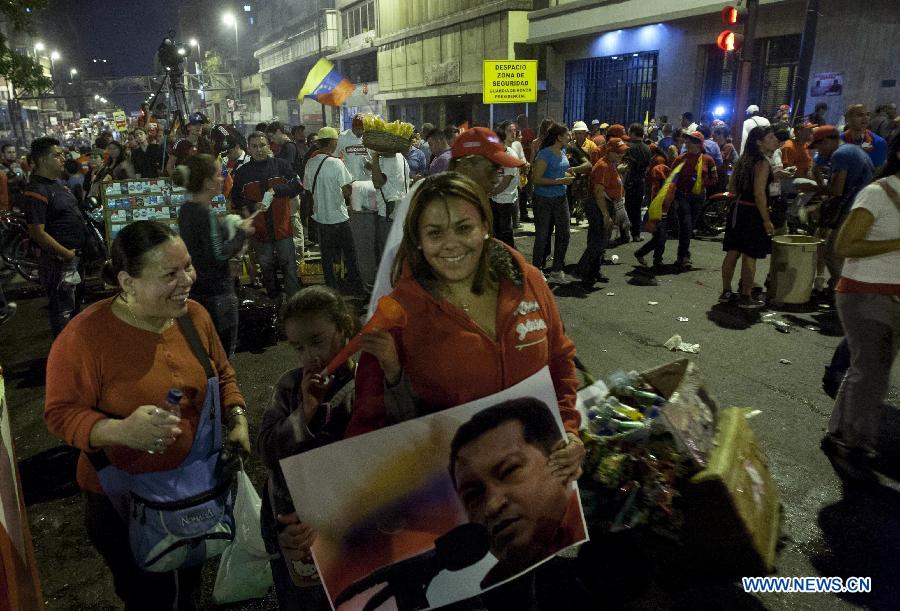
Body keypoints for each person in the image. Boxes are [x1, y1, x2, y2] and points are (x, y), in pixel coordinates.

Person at [43, 220, 250, 610]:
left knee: (188, 586)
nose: (187, 279)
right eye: (170, 274)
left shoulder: (195, 317)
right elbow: (60, 413)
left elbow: (222, 374)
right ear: (127, 282)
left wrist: (237, 416)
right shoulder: (85, 337)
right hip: (123, 503)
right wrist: (117, 430)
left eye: (187, 266)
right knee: (148, 598)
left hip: (195, 489)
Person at [347, 170, 583, 472]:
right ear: (417, 240)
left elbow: (560, 361)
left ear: (485, 226)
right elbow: (367, 420)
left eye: (464, 228)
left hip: (542, 482)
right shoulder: (396, 316)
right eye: (435, 233)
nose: (451, 244)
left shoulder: (530, 282)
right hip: (456, 496)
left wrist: (570, 432)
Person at [257, 286, 357, 611]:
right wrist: (306, 412)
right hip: (295, 527)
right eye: (298, 348)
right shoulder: (289, 387)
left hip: (347, 522)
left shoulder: (365, 383)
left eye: (317, 341)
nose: (309, 357)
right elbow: (269, 453)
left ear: (343, 329)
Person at [449, 398, 586, 589]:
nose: (492, 506)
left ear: (560, 455)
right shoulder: (492, 596)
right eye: (473, 495)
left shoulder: (614, 533)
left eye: (509, 471)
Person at [824, 134, 900, 470]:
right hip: (864, 292)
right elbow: (846, 244)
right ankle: (851, 441)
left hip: (893, 293)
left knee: (871, 369)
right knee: (870, 370)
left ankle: (843, 430)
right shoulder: (878, 193)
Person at [175, 154, 254, 358]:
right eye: (219, 175)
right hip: (218, 295)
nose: (223, 179)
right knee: (221, 357)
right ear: (208, 183)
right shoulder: (205, 214)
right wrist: (242, 232)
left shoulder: (186, 210)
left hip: (196, 291)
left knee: (202, 354)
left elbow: (202, 248)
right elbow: (218, 255)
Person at [21, 137, 87, 336]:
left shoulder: (59, 184)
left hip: (75, 258)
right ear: (41, 160)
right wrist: (66, 254)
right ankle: (64, 359)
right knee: (63, 312)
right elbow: (37, 232)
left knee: (75, 309)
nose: (62, 158)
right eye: (57, 155)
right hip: (59, 263)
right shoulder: (36, 191)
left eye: (63, 154)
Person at [231, 131, 304, 301]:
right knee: (267, 268)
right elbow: (235, 199)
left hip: (282, 228)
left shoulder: (282, 166)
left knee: (289, 268)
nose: (259, 149)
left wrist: (277, 190)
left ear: (269, 146)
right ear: (248, 149)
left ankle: (295, 303)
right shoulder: (242, 173)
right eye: (254, 146)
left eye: (262, 145)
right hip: (260, 231)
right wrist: (251, 205)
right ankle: (274, 303)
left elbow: (299, 185)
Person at [808, 125, 875, 290]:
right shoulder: (850, 149)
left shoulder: (840, 154)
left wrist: (812, 188)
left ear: (828, 141)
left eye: (818, 146)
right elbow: (816, 167)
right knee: (843, 253)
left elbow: (837, 190)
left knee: (833, 252)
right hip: (862, 205)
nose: (819, 151)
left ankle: (843, 291)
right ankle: (837, 286)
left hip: (853, 207)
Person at [719, 126, 779, 308]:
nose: (774, 140)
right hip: (753, 211)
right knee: (749, 254)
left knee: (733, 251)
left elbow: (732, 188)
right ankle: (746, 296)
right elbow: (759, 193)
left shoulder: (743, 160)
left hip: (738, 209)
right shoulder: (762, 163)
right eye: (770, 137)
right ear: (759, 142)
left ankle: (727, 291)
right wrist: (766, 220)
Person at [303, 126, 364, 293]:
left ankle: (331, 289)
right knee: (350, 255)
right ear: (332, 142)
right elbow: (346, 190)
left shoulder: (310, 163)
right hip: (339, 218)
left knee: (327, 257)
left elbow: (307, 189)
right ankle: (356, 288)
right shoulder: (336, 163)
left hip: (321, 218)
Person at [661, 131, 716, 270]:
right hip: (682, 195)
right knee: (686, 225)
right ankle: (684, 256)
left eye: (691, 141)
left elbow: (714, 178)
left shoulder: (708, 160)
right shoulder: (680, 159)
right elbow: (671, 177)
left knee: (689, 227)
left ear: (698, 144)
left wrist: (702, 184)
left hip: (698, 197)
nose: (687, 143)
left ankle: (683, 255)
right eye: (687, 141)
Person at [579, 137, 628, 290]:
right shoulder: (603, 166)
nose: (622, 155)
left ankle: (593, 273)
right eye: (619, 152)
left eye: (623, 152)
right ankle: (584, 274)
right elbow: (599, 192)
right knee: (597, 242)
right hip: (599, 207)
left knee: (600, 241)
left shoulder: (611, 164)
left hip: (606, 205)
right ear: (610, 152)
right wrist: (606, 214)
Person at [531, 123, 577, 282]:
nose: (570, 137)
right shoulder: (544, 154)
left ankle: (557, 270)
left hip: (561, 197)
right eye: (567, 134)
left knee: (564, 233)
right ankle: (536, 271)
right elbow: (536, 179)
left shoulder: (563, 151)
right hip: (543, 198)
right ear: (558, 137)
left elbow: (560, 168)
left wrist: (568, 172)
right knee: (542, 235)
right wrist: (560, 180)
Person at [370, 146, 412, 260]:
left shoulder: (385, 159)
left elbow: (377, 183)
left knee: (386, 255)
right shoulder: (401, 157)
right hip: (402, 209)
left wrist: (375, 158)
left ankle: (388, 277)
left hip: (387, 213)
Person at [491, 121, 527, 249]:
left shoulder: (510, 154)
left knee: (505, 233)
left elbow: (506, 181)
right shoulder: (494, 155)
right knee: (496, 233)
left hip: (506, 200)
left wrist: (490, 192)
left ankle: (512, 259)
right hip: (495, 198)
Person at [623, 123, 652, 242]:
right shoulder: (647, 148)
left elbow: (625, 165)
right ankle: (636, 234)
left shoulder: (628, 147)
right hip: (641, 181)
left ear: (633, 133)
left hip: (630, 180)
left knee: (627, 208)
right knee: (637, 208)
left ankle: (626, 234)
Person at [842, 104, 888, 169]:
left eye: (868, 114)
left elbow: (878, 171)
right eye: (859, 115)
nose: (865, 118)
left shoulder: (879, 142)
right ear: (847, 118)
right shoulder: (837, 141)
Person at [336, 113, 370, 182]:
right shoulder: (343, 137)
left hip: (366, 180)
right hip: (349, 180)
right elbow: (335, 156)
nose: (363, 132)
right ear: (354, 127)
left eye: (364, 129)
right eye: (361, 129)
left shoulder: (368, 137)